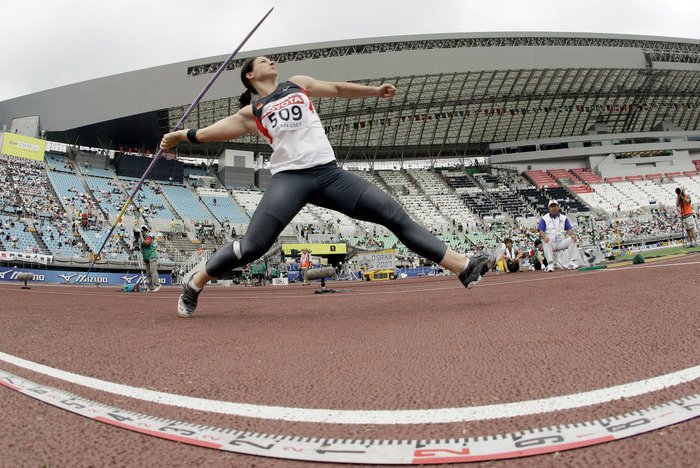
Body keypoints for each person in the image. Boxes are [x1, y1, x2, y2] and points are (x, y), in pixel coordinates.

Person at [161, 56, 504, 317]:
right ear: (250, 75)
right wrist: (179, 136)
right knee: (252, 246)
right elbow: (206, 133)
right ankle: (194, 283)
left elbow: (337, 89)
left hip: (329, 174)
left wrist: (375, 91)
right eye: (263, 61)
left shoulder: (297, 83)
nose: (271, 61)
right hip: (290, 180)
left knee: (392, 213)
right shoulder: (252, 112)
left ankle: (463, 267)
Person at [538, 200, 579, 272]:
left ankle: (571, 262)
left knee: (573, 239)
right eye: (551, 206)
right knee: (545, 242)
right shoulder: (544, 218)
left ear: (558, 207)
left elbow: (569, 229)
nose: (553, 208)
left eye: (554, 206)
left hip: (561, 242)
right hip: (551, 242)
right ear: (549, 208)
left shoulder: (564, 218)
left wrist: (572, 235)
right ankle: (550, 264)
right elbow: (541, 231)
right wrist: (545, 237)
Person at [134, 224, 161, 292]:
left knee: (153, 271)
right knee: (148, 273)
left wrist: (141, 238)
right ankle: (150, 287)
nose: (143, 232)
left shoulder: (149, 236)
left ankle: (157, 285)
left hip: (152, 256)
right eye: (142, 231)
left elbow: (147, 243)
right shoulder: (141, 238)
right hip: (146, 257)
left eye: (143, 230)